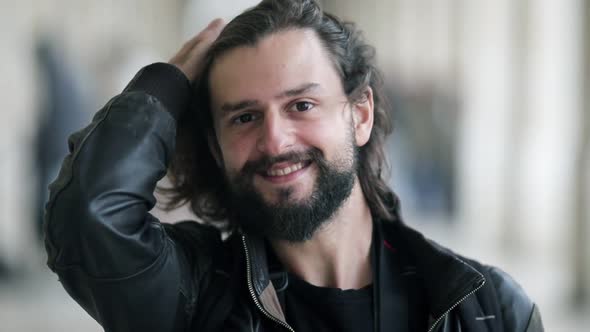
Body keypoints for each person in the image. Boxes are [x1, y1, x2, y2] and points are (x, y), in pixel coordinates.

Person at [43, 0, 544, 331]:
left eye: (301, 105)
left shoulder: (487, 309)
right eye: (243, 116)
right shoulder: (193, 296)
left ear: (360, 114)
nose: (275, 140)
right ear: (216, 147)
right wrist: (165, 85)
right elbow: (89, 215)